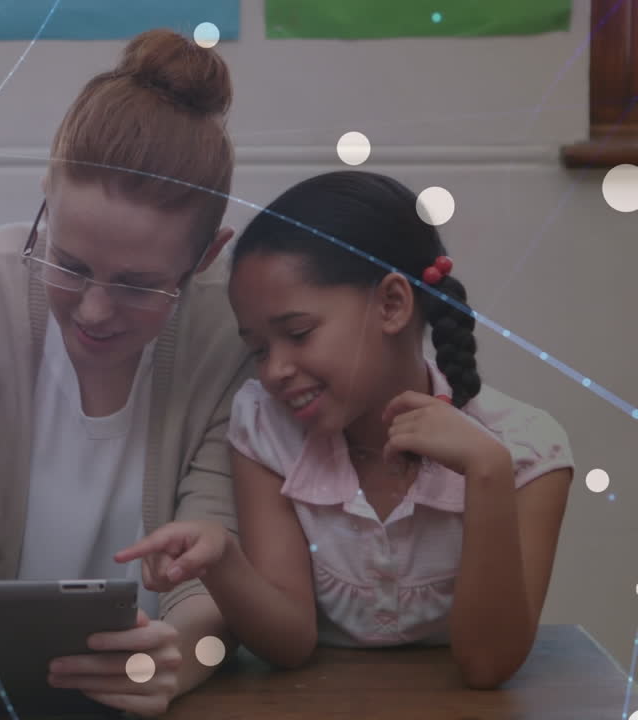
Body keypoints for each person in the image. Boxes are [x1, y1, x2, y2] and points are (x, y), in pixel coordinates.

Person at [0, 29, 252, 717]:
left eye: (138, 284)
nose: (94, 310)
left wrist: (175, 661)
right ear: (46, 195)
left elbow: (211, 575)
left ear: (206, 256)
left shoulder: (230, 329)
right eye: (69, 262)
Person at [118, 170, 574, 689]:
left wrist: (488, 473)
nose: (273, 371)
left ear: (393, 304)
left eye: (298, 333)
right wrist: (222, 557)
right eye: (259, 349)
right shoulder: (266, 428)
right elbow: (289, 644)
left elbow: (488, 664)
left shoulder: (529, 451)